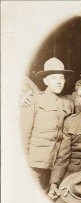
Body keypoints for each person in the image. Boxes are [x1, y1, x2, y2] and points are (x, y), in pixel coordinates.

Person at [20, 57, 74, 191]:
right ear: (45, 80)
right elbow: (24, 135)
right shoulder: (34, 100)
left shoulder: (68, 104)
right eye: (54, 78)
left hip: (56, 165)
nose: (59, 82)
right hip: (34, 163)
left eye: (61, 78)